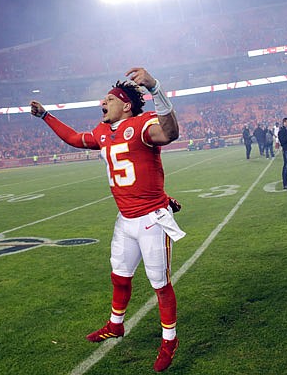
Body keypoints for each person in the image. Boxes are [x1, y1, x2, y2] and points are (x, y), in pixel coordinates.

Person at [30, 67, 185, 372]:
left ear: (125, 105)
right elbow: (74, 138)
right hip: (125, 219)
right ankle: (115, 325)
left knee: (160, 284)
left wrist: (156, 89)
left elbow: (170, 133)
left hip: (151, 220)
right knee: (120, 275)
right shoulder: (103, 132)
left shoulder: (142, 123)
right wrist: (46, 115)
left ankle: (169, 340)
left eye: (108, 99)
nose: (102, 102)